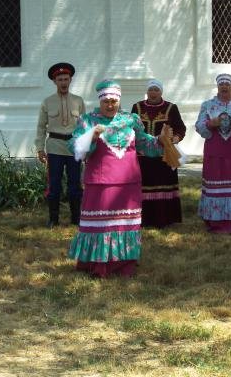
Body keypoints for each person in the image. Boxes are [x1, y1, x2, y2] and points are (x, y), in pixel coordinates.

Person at [67, 79, 171, 277]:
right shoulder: (88, 120)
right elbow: (73, 147)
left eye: (113, 101)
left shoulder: (131, 119)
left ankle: (125, 263)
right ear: (100, 100)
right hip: (101, 184)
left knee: (125, 224)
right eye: (106, 101)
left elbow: (144, 144)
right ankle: (99, 264)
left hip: (128, 183)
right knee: (102, 226)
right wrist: (91, 136)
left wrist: (160, 140)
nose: (110, 104)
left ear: (119, 100)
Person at [195, 73, 231, 233]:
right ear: (217, 87)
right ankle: (218, 221)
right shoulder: (208, 105)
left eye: (227, 84)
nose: (224, 87)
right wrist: (210, 123)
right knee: (217, 182)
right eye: (221, 85)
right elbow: (199, 126)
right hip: (216, 151)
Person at [35, 62, 86, 227]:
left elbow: (84, 127)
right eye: (60, 79)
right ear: (54, 82)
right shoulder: (47, 102)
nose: (63, 82)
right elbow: (41, 127)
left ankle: (76, 218)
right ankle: (53, 218)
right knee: (54, 184)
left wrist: (85, 148)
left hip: (73, 148)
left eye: (66, 79)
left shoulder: (78, 101)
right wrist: (40, 148)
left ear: (70, 80)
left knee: (75, 184)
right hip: (55, 147)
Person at [131, 79, 186, 228]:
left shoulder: (171, 108)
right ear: (147, 91)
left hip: (164, 155)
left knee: (163, 184)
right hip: (143, 156)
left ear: (161, 91)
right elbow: (131, 129)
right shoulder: (137, 107)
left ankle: (164, 219)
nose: (153, 93)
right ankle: (143, 219)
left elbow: (180, 128)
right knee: (144, 185)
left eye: (156, 90)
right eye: (151, 90)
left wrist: (175, 138)